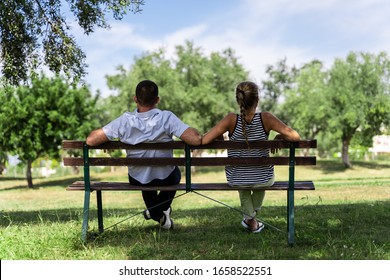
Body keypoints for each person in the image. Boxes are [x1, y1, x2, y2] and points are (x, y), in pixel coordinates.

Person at [86, 80, 202, 230]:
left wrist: (104, 142)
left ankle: (156, 213)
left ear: (135, 99)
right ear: (157, 100)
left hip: (138, 179)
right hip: (166, 178)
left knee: (145, 180)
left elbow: (91, 140)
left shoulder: (125, 121)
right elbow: (195, 138)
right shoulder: (166, 117)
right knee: (176, 175)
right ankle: (158, 214)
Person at [201, 81, 300, 233]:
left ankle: (250, 219)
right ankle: (252, 219)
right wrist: (279, 135)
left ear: (238, 100)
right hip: (264, 178)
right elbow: (295, 136)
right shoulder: (266, 118)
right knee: (262, 179)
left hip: (237, 178)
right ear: (257, 99)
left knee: (243, 181)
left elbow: (205, 140)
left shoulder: (230, 119)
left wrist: (220, 136)